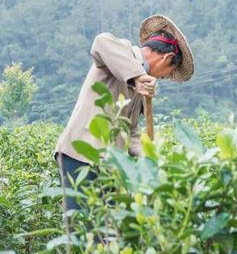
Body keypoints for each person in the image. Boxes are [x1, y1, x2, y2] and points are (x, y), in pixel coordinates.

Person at [54, 14, 194, 210]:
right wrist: (138, 76)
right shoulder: (126, 54)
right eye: (169, 72)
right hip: (82, 154)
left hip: (109, 163)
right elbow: (101, 42)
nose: (165, 77)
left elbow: (131, 131)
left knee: (110, 224)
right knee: (82, 222)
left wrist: (151, 158)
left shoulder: (139, 89)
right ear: (167, 58)